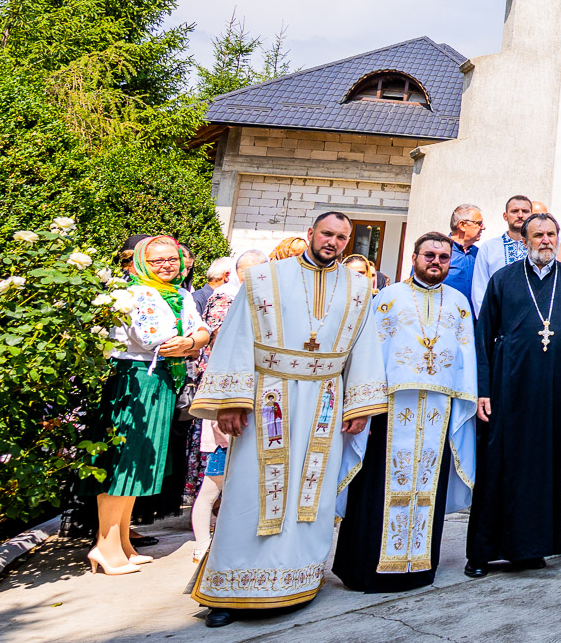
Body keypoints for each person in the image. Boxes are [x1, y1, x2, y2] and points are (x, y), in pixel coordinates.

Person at [191, 213, 376, 627]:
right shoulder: (262, 278)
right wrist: (231, 401)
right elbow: (237, 336)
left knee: (311, 494)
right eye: (327, 234)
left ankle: (297, 581)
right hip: (268, 397)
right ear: (310, 234)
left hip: (325, 403)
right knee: (250, 490)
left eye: (342, 237)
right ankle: (228, 590)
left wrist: (359, 405)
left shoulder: (361, 287)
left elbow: (364, 347)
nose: (333, 242)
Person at [332, 232, 477, 592]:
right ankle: (366, 567)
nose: (436, 263)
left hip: (438, 410)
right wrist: (361, 403)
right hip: (389, 409)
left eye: (444, 258)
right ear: (414, 257)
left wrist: (467, 400)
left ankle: (417, 568)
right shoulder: (387, 299)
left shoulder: (459, 303)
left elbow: (467, 361)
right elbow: (367, 355)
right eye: (430, 255)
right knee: (377, 486)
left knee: (429, 485)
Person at [465, 213, 561, 577]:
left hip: (554, 394)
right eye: (538, 235)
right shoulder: (503, 279)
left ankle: (530, 549)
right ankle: (483, 553)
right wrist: (483, 391)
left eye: (552, 234)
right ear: (525, 241)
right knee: (499, 468)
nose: (546, 241)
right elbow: (483, 336)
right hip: (509, 389)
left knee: (543, 469)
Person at [92, 236, 209, 576]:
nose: (167, 266)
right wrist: (190, 340)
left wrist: (191, 340)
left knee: (142, 462)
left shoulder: (182, 294)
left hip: (159, 381)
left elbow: (200, 332)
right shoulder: (133, 293)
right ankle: (105, 545)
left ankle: (122, 543)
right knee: (124, 463)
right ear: (141, 263)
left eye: (172, 259)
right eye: (157, 261)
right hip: (134, 379)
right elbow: (154, 339)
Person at [189, 255, 244, 560]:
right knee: (210, 493)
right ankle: (202, 543)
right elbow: (214, 411)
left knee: (234, 498)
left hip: (245, 442)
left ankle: (224, 543)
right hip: (225, 444)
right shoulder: (218, 372)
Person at [474, 195, 532, 296]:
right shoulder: (489, 248)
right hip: (497, 310)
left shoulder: (539, 247)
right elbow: (479, 287)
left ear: (531, 215)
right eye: (514, 211)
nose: (520, 215)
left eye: (525, 211)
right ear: (505, 216)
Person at [447, 205, 485, 306]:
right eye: (479, 223)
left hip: (473, 319)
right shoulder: (438, 252)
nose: (483, 227)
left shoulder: (479, 254)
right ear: (462, 225)